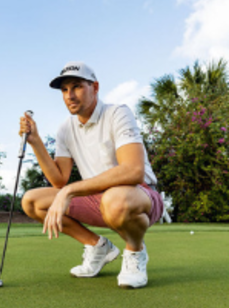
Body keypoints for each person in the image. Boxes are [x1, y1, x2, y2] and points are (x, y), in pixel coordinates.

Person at [18, 61, 166, 289]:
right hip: (98, 199)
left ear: (95, 87)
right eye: (64, 90)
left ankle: (135, 252)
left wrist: (69, 191)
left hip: (140, 196)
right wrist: (36, 141)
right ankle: (98, 246)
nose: (70, 95)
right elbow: (59, 179)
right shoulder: (65, 129)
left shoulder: (117, 113)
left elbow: (133, 171)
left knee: (115, 200)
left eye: (77, 86)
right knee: (32, 201)